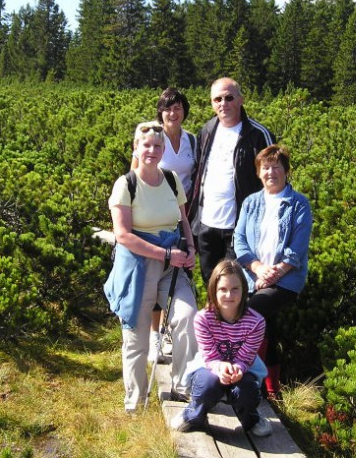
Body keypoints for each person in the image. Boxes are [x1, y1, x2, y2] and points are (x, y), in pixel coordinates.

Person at [104, 120, 198, 413]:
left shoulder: (170, 180)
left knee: (188, 317)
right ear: (136, 148)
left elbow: (183, 219)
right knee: (137, 338)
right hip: (138, 267)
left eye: (158, 146)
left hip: (173, 265)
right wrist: (165, 254)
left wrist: (190, 248)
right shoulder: (126, 184)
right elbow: (123, 235)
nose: (152, 151)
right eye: (146, 145)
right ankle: (135, 403)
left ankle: (183, 387)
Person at [233, 145, 312, 400]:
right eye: (265, 167)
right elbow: (240, 240)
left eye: (277, 167)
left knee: (251, 313)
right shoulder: (251, 202)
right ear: (258, 172)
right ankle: (272, 390)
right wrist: (256, 268)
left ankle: (248, 380)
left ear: (286, 171)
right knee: (267, 326)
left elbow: (297, 248)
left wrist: (274, 274)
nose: (271, 172)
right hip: (252, 276)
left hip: (286, 280)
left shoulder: (299, 204)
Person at [131, 88, 198, 363]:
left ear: (184, 111)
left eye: (178, 107)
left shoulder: (192, 140)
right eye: (168, 108)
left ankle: (176, 330)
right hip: (155, 214)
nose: (173, 113)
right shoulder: (152, 137)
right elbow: (135, 173)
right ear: (161, 111)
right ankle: (154, 334)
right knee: (157, 271)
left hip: (185, 214)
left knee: (181, 273)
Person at [188, 77, 275, 285]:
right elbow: (197, 174)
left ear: (241, 100)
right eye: (217, 99)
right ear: (211, 103)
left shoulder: (258, 135)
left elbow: (275, 180)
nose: (223, 104)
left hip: (239, 228)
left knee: (233, 288)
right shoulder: (206, 131)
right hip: (207, 226)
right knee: (211, 285)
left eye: (229, 98)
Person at [170, 260, 272, 437]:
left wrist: (238, 369)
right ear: (213, 290)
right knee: (207, 385)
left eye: (235, 289)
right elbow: (210, 355)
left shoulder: (256, 322)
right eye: (223, 289)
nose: (229, 295)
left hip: (243, 370)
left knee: (246, 390)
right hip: (209, 367)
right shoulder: (203, 319)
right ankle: (193, 414)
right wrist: (220, 368)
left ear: (244, 289)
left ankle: (252, 418)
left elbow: (246, 357)